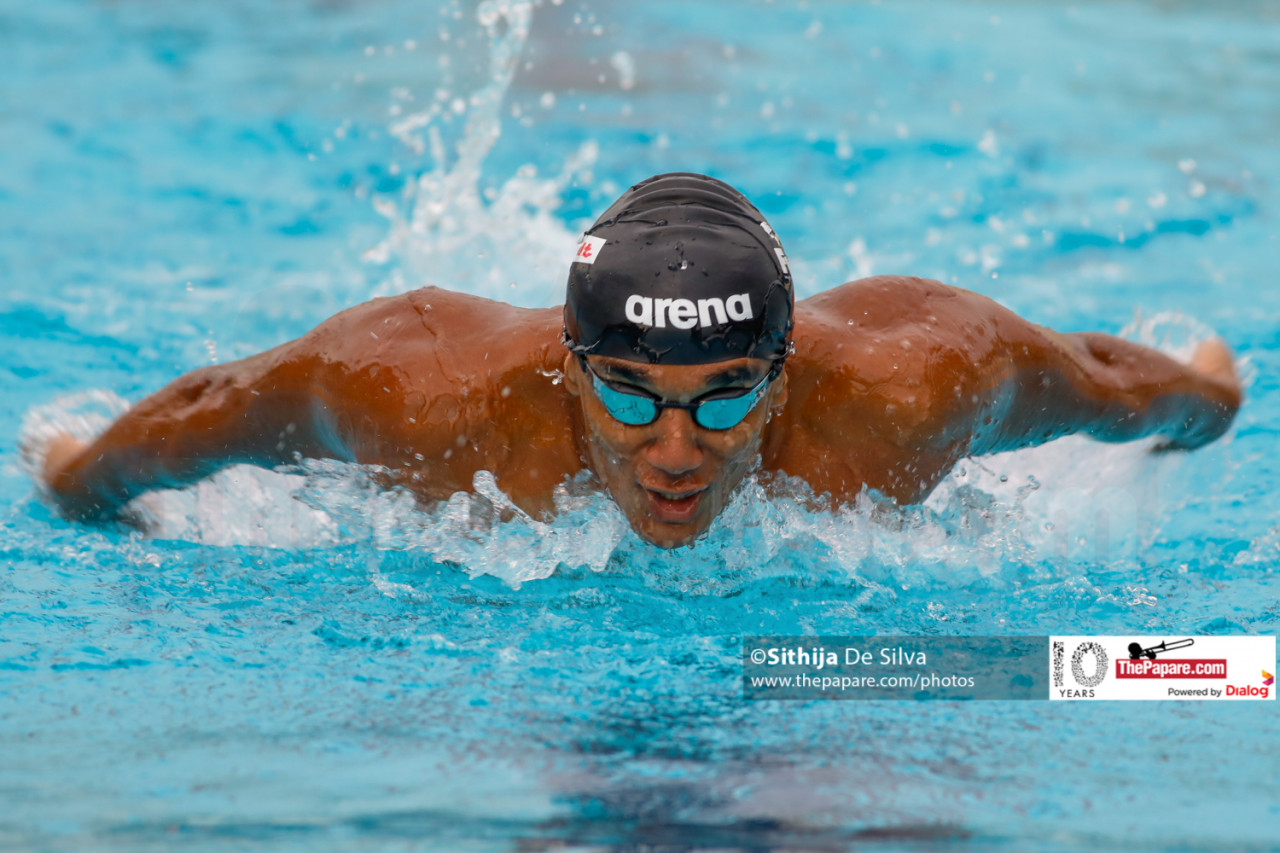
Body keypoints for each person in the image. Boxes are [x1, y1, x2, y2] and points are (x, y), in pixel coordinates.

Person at [38, 173, 1242, 548]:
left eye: (725, 401)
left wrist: (1204, 402)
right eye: (629, 394)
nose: (675, 454)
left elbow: (1098, 380)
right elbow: (215, 408)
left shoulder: (909, 386)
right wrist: (82, 483)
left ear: (784, 375)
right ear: (567, 365)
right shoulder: (417, 391)